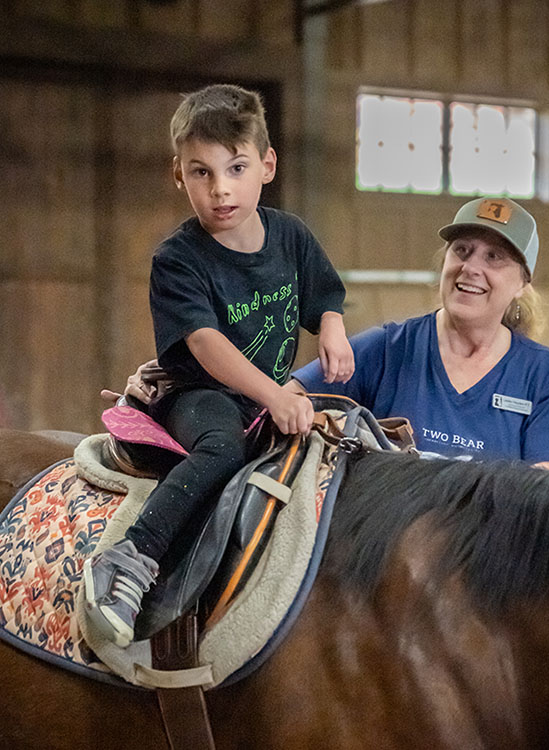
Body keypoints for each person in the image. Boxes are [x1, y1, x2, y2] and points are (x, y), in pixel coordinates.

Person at [83, 84, 354, 648]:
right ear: (178, 175)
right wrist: (276, 396)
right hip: (199, 394)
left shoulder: (291, 236)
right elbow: (206, 345)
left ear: (267, 165)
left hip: (264, 395)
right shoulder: (178, 258)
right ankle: (130, 557)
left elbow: (324, 294)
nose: (221, 188)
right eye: (201, 172)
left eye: (235, 167)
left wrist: (332, 327)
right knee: (223, 448)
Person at [291, 197, 549, 471]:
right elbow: (287, 401)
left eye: (494, 257)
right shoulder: (386, 349)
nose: (470, 268)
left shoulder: (546, 375)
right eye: (462, 250)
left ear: (522, 284)